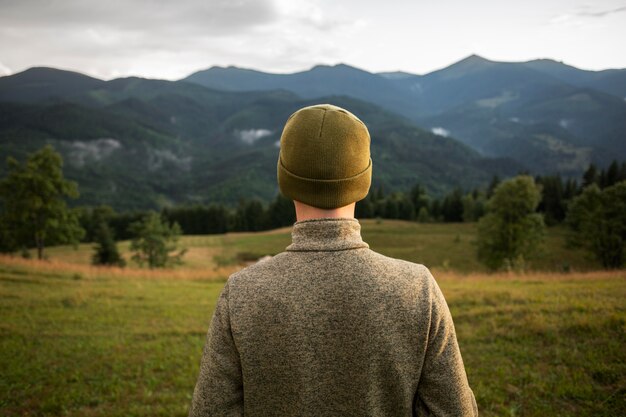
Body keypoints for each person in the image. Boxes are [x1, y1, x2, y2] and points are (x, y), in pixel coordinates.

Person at [189, 104, 478, 416]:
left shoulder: (242, 293)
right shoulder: (417, 289)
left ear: (284, 179)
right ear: (364, 179)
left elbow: (211, 410)